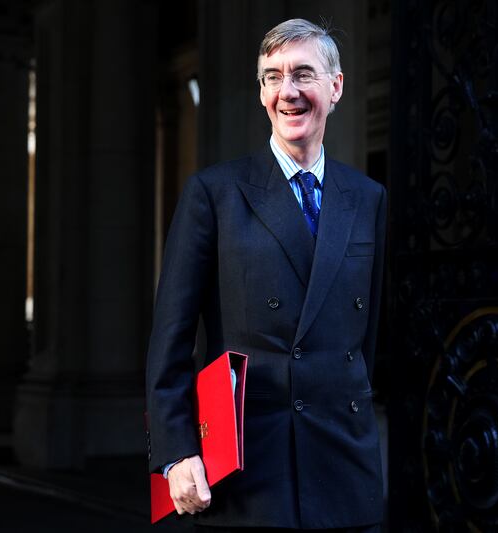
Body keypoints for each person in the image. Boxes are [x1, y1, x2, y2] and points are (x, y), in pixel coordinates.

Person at [145, 18, 386, 532]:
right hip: (248, 470)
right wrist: (176, 451)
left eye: (303, 74)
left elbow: (370, 338)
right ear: (260, 92)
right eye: (272, 77)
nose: (288, 92)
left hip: (343, 464)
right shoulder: (215, 193)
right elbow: (171, 338)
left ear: (336, 86)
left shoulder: (368, 198)